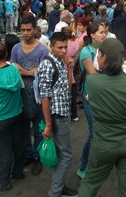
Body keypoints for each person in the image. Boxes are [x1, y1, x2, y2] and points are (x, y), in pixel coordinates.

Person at [77, 38, 126, 197]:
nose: (96, 57)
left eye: (98, 54)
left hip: (103, 145)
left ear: (104, 58)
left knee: (90, 184)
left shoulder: (93, 82)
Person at [37, 32, 77, 197]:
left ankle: (59, 187)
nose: (63, 50)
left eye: (65, 47)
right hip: (57, 117)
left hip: (63, 113)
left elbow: (67, 87)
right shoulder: (48, 64)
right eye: (60, 47)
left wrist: (69, 68)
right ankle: (55, 192)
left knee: (61, 154)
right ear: (51, 47)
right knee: (66, 155)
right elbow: (44, 97)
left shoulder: (61, 61)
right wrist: (48, 124)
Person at [0, 42, 26, 192]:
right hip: (16, 114)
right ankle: (18, 172)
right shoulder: (14, 70)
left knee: (5, 151)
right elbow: (21, 88)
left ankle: (4, 182)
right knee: (17, 145)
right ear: (7, 55)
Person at [9, 16, 48, 176]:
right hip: (20, 95)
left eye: (28, 30)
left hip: (38, 96)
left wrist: (25, 71)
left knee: (39, 128)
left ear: (34, 30)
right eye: (23, 30)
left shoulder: (42, 50)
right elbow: (12, 68)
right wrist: (30, 72)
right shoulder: (16, 49)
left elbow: (43, 72)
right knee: (23, 128)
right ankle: (27, 155)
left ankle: (37, 156)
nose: (25, 33)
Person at [77, 22, 107, 179]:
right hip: (90, 97)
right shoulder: (86, 53)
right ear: (92, 35)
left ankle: (95, 162)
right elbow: (94, 75)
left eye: (104, 32)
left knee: (100, 132)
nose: (104, 34)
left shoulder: (101, 50)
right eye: (101, 32)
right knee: (93, 133)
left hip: (101, 96)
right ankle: (82, 166)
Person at [61, 27, 79, 122]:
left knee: (64, 95)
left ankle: (65, 113)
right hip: (73, 71)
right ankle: (74, 115)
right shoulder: (76, 44)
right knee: (73, 96)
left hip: (63, 72)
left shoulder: (61, 46)